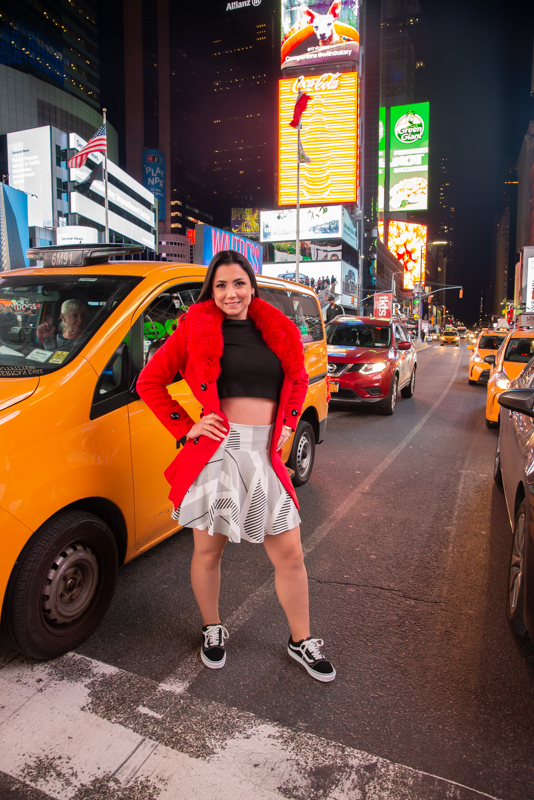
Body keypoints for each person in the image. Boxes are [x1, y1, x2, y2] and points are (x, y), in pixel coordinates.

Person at [137, 249, 335, 683]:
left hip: (265, 454)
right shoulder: (195, 326)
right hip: (217, 453)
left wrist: (286, 425)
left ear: (251, 286)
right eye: (221, 284)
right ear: (212, 289)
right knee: (208, 552)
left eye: (239, 283)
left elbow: (298, 380)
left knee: (290, 554)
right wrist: (187, 427)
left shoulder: (278, 328)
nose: (231, 293)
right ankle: (212, 628)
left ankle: (301, 640)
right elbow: (148, 381)